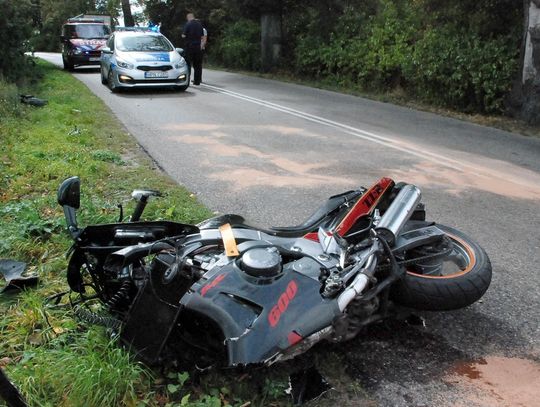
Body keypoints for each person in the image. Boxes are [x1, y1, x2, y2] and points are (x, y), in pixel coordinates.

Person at [182, 13, 204, 85]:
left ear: (188, 17)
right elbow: (202, 37)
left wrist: (184, 36)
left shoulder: (188, 24)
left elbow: (184, 35)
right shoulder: (199, 25)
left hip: (189, 47)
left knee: (188, 64)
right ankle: (197, 81)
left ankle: (187, 81)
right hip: (198, 47)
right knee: (197, 64)